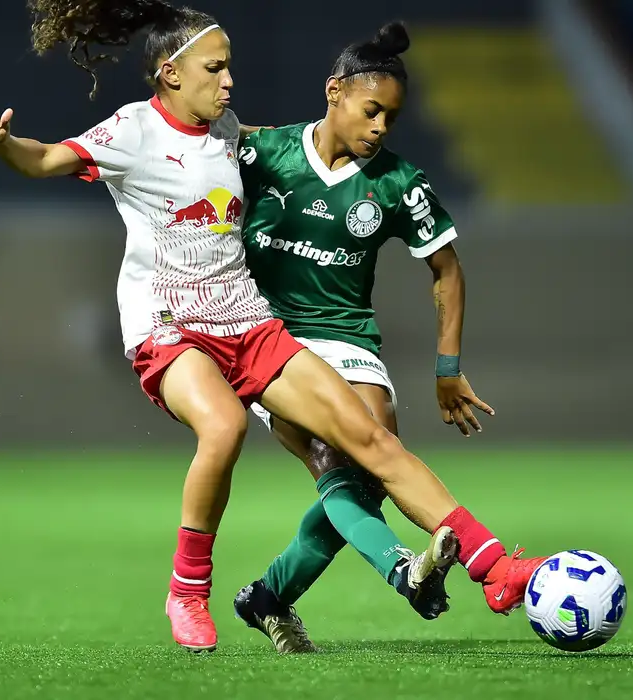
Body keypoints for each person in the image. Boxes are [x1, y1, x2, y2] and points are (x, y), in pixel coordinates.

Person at [0, 0, 541, 653]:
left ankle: (497, 570)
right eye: (216, 67)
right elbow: (46, 160)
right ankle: (187, 592)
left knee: (371, 444)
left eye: (230, 67)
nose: (229, 80)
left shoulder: (230, 133)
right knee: (223, 425)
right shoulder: (134, 129)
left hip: (247, 320)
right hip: (169, 319)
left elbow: (286, 148)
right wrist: (3, 145)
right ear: (170, 72)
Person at [225, 22, 512, 654]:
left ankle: (269, 596)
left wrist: (447, 366)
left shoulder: (396, 183)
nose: (381, 127)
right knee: (333, 457)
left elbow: (447, 268)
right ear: (334, 93)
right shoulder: (262, 153)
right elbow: (194, 148)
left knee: (371, 466)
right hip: (269, 342)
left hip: (350, 339)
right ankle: (406, 572)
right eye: (371, 110)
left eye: (391, 117)